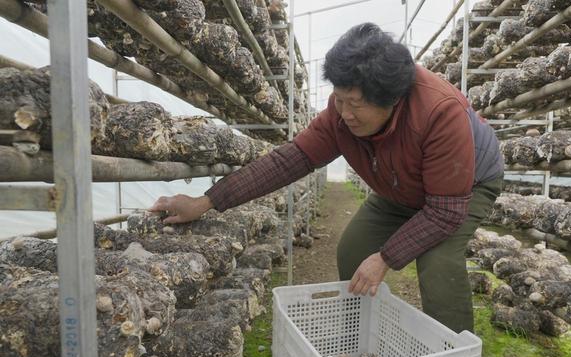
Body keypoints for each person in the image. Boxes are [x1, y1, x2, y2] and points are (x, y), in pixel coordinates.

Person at [150, 23, 504, 333]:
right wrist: (206, 201)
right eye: (339, 99)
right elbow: (288, 161)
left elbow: (443, 212)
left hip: (464, 187)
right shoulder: (340, 115)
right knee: (353, 250)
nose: (345, 113)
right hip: (399, 186)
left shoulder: (440, 112)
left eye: (356, 103)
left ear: (392, 99)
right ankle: (360, 331)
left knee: (438, 264)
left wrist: (386, 258)